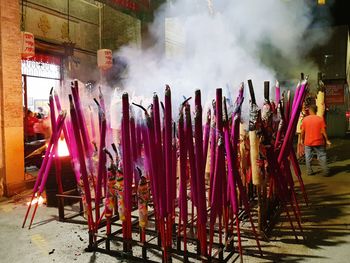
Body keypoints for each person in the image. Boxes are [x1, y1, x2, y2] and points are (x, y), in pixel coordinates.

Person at [300, 104, 331, 176]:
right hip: (319, 141)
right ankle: (325, 172)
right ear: (316, 111)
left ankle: (309, 171)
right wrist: (327, 140)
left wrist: (301, 139)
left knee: (308, 156)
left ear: (310, 111)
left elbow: (302, 131)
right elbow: (323, 131)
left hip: (308, 142)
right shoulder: (320, 119)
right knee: (322, 156)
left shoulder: (305, 119)